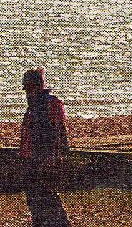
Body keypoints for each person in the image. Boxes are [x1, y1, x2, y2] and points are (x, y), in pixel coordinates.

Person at [19, 69, 70, 227]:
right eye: (26, 88)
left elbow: (61, 132)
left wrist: (56, 158)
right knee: (36, 202)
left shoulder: (50, 103)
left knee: (48, 200)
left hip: (44, 159)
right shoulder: (34, 106)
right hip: (31, 159)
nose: (27, 92)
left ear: (37, 86)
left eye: (29, 87)